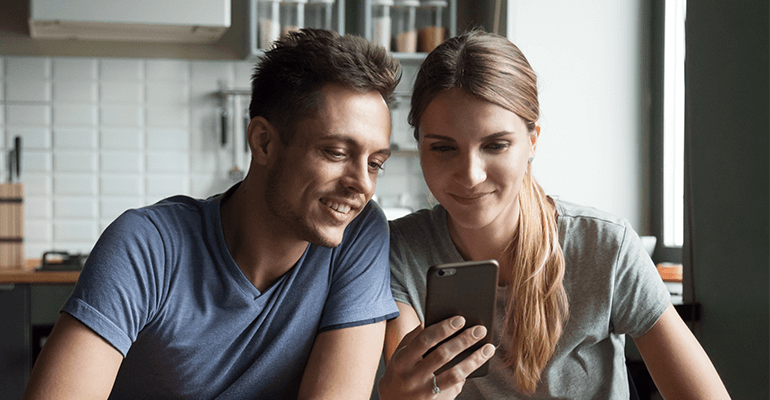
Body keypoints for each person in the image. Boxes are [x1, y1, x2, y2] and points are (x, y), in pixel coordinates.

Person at [24, 28, 401, 399]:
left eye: (375, 164)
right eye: (336, 153)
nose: (362, 185)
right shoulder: (146, 244)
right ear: (263, 142)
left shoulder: (359, 232)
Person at [378, 29, 731, 399]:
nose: (471, 174)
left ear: (532, 141)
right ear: (419, 146)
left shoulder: (605, 246)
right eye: (443, 148)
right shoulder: (400, 250)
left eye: (496, 145)